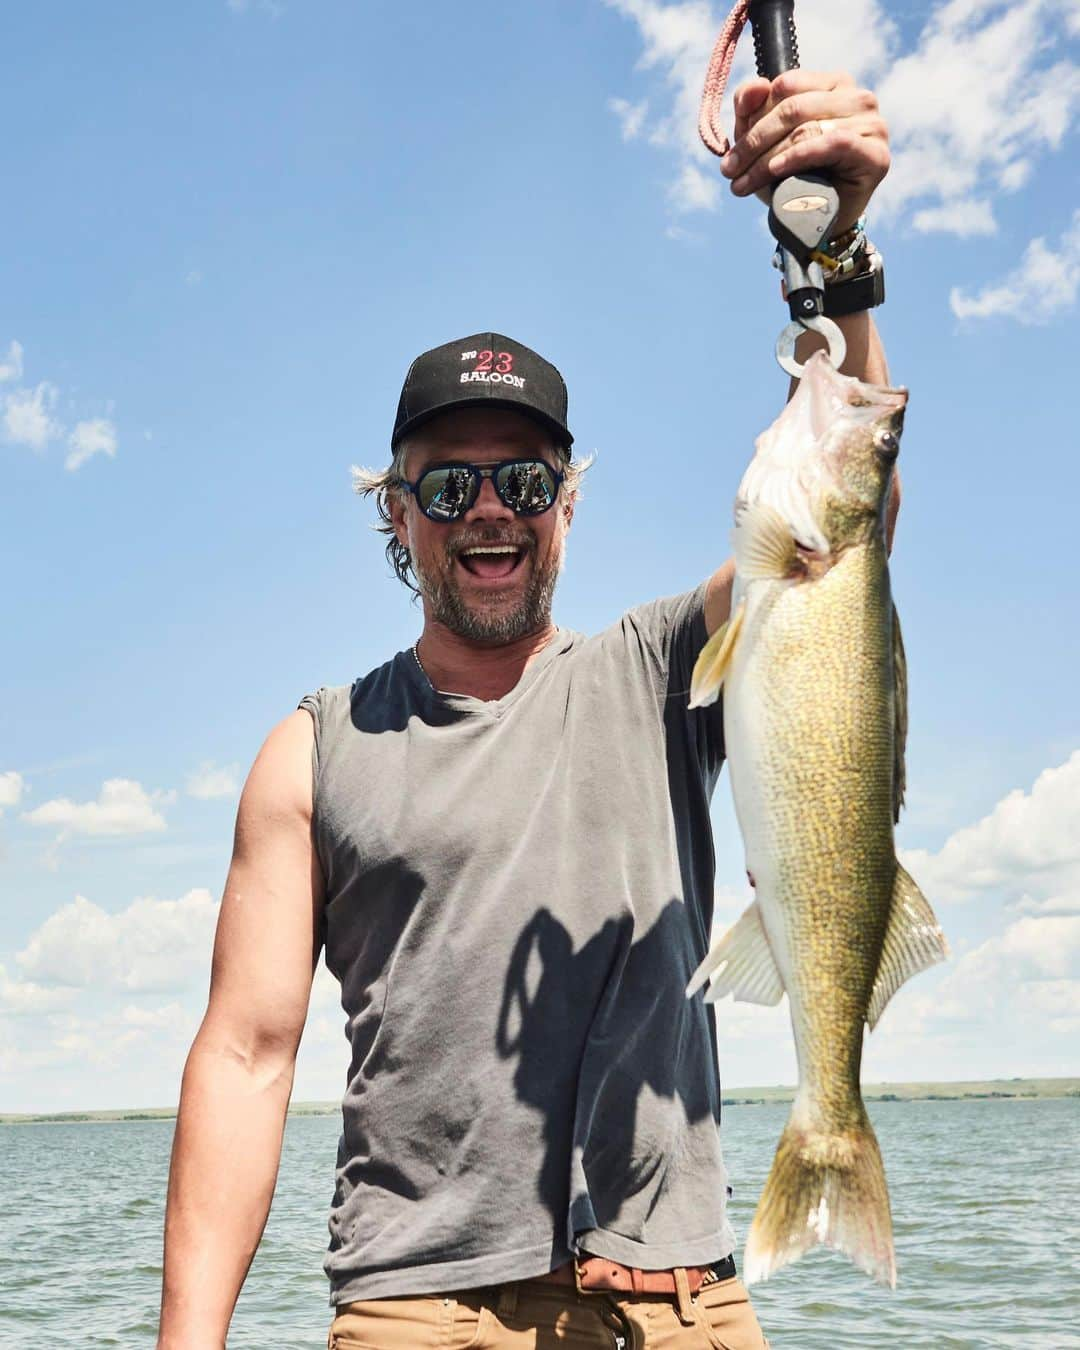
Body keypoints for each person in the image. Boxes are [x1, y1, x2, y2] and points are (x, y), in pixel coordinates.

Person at [158, 68, 893, 1350]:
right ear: (394, 513)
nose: (487, 510)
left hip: (681, 1304)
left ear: (569, 499)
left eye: (522, 479)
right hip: (414, 1310)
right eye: (447, 490)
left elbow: (845, 524)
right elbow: (244, 1057)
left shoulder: (667, 668)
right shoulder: (310, 751)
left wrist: (835, 256)